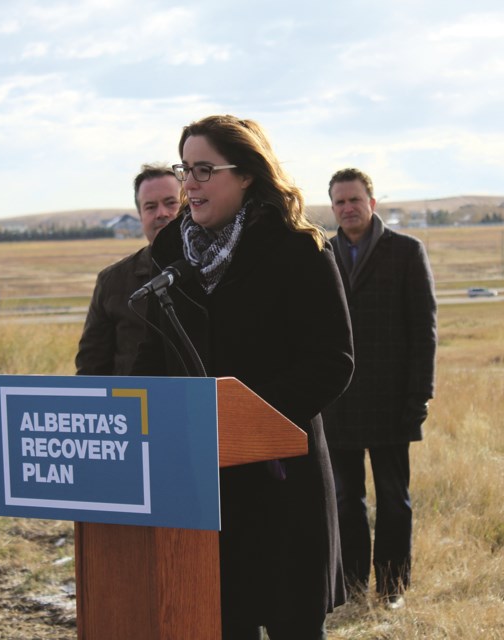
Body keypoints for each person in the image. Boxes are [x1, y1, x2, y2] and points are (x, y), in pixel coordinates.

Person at [132, 115, 354, 639]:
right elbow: (151, 359)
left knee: (291, 622)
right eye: (186, 169)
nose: (190, 185)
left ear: (247, 174)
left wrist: (241, 423)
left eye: (205, 170)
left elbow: (333, 361)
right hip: (200, 486)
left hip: (280, 481)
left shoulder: (300, 249)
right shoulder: (169, 256)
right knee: (220, 621)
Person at [321, 167, 437, 607]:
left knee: (394, 498)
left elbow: (423, 329)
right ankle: (351, 588)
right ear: (332, 208)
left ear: (372, 202)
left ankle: (392, 590)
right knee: (347, 501)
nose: (347, 208)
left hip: (391, 401)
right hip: (339, 404)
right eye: (339, 202)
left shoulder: (406, 252)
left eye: (355, 199)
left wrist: (419, 394)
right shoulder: (322, 254)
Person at [74, 163, 180, 375]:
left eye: (170, 203)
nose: (161, 213)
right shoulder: (113, 281)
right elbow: (91, 369)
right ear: (140, 216)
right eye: (150, 207)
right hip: (134, 405)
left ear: (188, 206)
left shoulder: (213, 270)